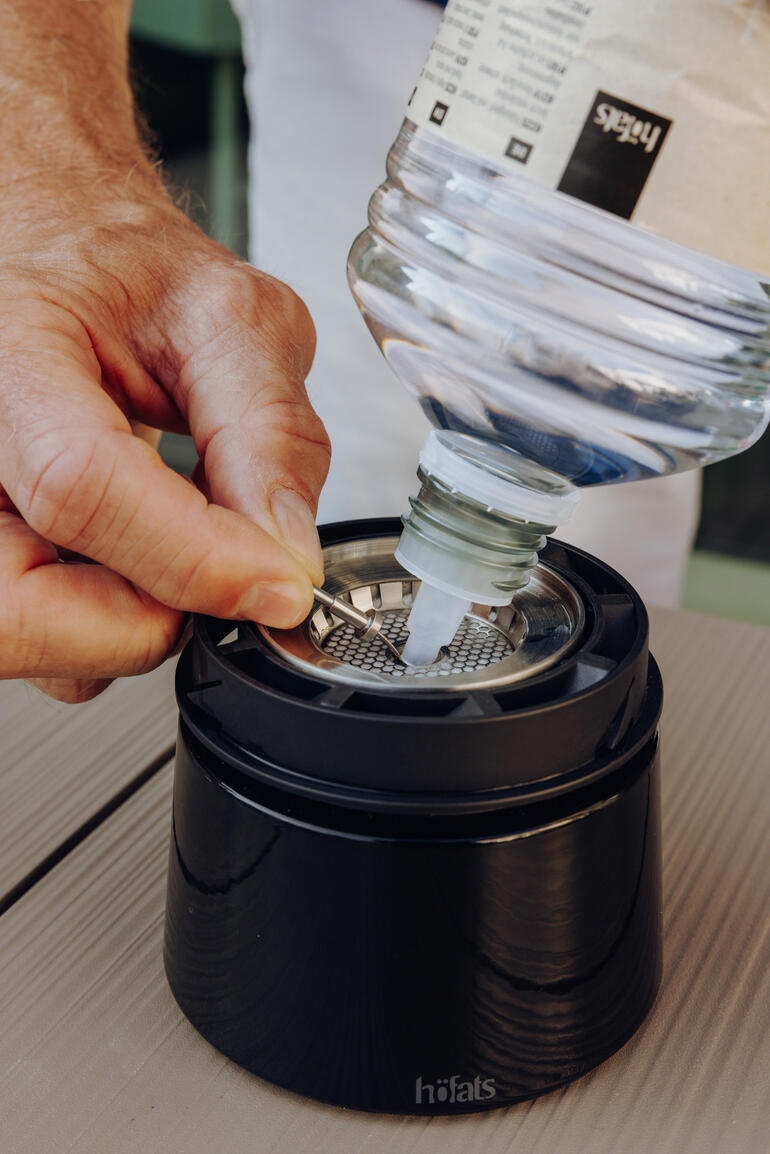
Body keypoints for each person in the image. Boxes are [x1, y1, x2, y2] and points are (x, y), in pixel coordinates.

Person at [0, 0, 698, 705]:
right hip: (379, 41)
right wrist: (44, 183)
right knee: (304, 489)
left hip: (699, 93)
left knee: (598, 649)